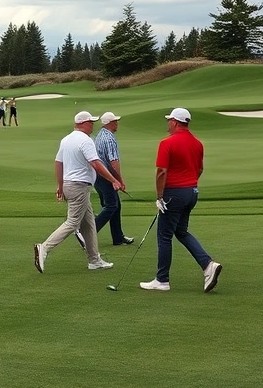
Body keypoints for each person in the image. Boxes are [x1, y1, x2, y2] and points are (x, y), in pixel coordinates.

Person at [140, 107, 222, 293]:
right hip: (192, 192)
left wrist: (160, 197)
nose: (168, 123)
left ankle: (162, 280)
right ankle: (208, 265)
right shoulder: (197, 143)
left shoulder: (167, 143)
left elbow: (161, 171)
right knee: (181, 232)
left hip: (173, 194)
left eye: (169, 120)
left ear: (175, 122)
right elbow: (199, 170)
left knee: (164, 235)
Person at [34, 111, 123, 274]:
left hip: (70, 185)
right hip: (79, 186)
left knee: (89, 224)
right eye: (90, 122)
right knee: (72, 222)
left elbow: (58, 163)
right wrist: (114, 180)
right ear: (83, 123)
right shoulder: (85, 140)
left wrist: (60, 185)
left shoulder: (66, 139)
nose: (93, 125)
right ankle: (44, 248)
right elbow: (96, 163)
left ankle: (94, 260)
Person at [92, 112, 133, 245]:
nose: (117, 123)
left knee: (116, 205)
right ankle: (86, 234)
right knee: (111, 206)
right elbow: (113, 161)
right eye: (115, 121)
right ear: (109, 123)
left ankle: (118, 237)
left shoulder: (100, 135)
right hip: (106, 177)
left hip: (98, 177)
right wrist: (119, 180)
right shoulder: (109, 138)